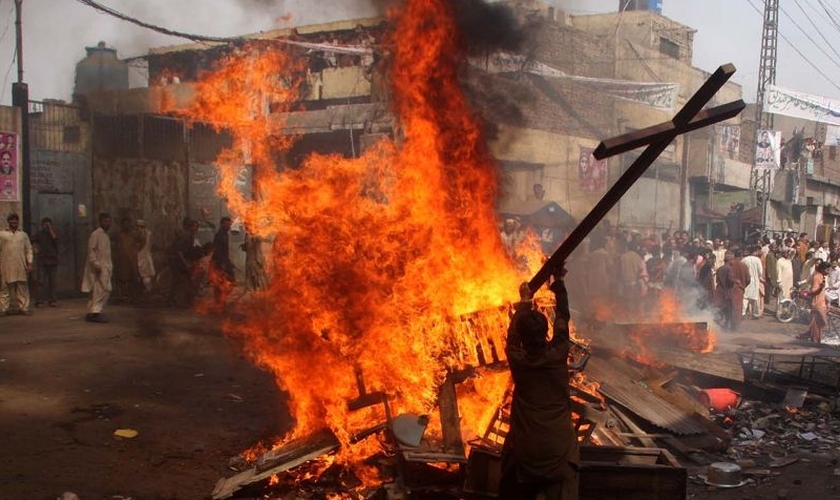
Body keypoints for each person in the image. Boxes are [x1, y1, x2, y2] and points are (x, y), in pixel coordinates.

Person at [500, 266, 579, 500]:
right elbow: (563, 318)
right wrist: (559, 284)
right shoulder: (558, 352)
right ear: (546, 333)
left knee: (508, 476)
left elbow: (512, 335)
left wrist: (525, 301)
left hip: (526, 451)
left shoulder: (517, 359)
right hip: (559, 448)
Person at [81, 213, 113, 323]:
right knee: (105, 289)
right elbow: (91, 251)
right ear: (100, 222)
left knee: (98, 290)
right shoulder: (96, 234)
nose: (107, 223)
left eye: (109, 221)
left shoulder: (106, 236)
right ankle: (96, 312)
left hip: (106, 266)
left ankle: (91, 312)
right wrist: (96, 264)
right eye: (105, 221)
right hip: (99, 267)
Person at [0, 213, 33, 315]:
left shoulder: (23, 235)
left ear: (18, 222)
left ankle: (24, 308)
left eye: (16, 220)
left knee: (22, 287)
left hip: (20, 265)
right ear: (8, 221)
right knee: (4, 288)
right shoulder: (2, 234)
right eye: (12, 220)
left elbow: (29, 250)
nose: (14, 222)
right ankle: (3, 309)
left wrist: (30, 263)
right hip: (5, 265)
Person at [32, 217, 59, 307]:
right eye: (44, 225)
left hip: (52, 260)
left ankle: (52, 300)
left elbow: (56, 241)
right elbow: (31, 240)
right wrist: (35, 248)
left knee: (53, 282)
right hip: (42, 260)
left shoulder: (54, 234)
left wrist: (50, 230)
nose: (46, 227)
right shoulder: (39, 234)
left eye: (48, 225)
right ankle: (39, 301)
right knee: (40, 282)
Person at [210, 216, 235, 309]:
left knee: (227, 282)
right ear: (222, 224)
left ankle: (221, 302)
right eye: (227, 224)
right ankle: (219, 303)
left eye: (229, 224)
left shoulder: (225, 234)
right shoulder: (219, 235)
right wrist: (223, 264)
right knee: (220, 283)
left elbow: (224, 251)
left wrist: (229, 261)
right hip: (219, 263)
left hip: (224, 261)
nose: (229, 226)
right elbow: (218, 251)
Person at [807, 261, 831, 344]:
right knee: (819, 323)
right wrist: (820, 288)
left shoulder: (822, 277)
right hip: (817, 303)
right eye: (827, 270)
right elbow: (813, 291)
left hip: (822, 302)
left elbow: (822, 292)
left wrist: (826, 299)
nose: (829, 272)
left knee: (819, 324)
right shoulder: (817, 277)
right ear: (822, 269)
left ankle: (817, 341)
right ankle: (815, 342)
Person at [742, 248, 764, 319]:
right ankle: (755, 314)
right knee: (755, 298)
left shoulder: (744, 260)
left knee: (745, 297)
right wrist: (759, 276)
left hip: (746, 280)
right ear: (754, 252)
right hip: (755, 280)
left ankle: (743, 313)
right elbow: (760, 272)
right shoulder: (757, 260)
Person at [136, 220, 155, 294]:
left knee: (145, 275)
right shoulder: (148, 233)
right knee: (145, 275)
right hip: (145, 255)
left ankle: (148, 290)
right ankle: (147, 290)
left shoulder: (143, 233)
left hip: (143, 256)